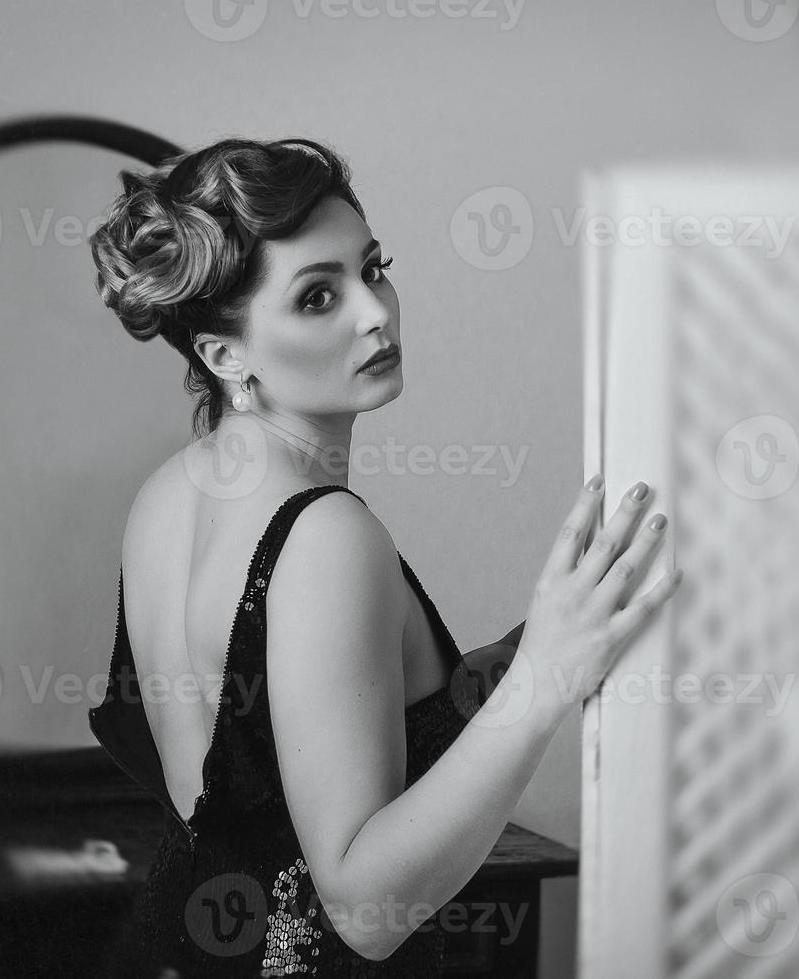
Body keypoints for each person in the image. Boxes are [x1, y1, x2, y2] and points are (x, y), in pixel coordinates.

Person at [84, 137, 683, 977]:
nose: (375, 312)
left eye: (374, 268)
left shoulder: (164, 499)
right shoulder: (325, 535)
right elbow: (365, 910)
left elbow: (265, 764)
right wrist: (545, 683)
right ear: (225, 356)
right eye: (318, 296)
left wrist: (540, 643)